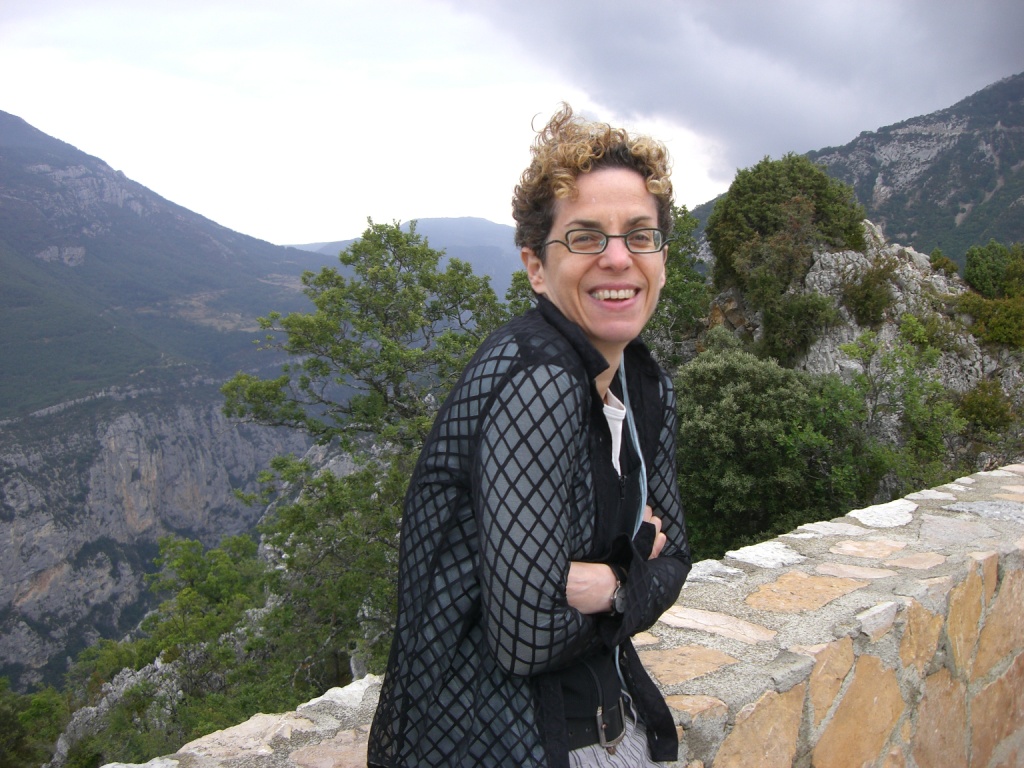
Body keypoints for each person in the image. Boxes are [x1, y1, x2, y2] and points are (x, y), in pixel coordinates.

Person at [367, 104, 691, 767]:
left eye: (640, 235)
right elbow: (528, 635)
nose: (618, 259)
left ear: (661, 256)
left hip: (614, 724)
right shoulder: (537, 379)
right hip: (506, 748)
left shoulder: (643, 384)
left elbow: (678, 558)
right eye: (585, 237)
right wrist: (629, 573)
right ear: (536, 267)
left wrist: (601, 582)